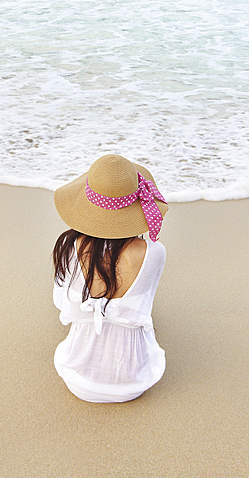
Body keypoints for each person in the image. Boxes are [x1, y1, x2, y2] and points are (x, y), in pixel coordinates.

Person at [51, 154, 168, 403]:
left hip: (76, 375)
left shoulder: (71, 247)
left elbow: (62, 303)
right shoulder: (154, 253)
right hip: (132, 381)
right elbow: (144, 304)